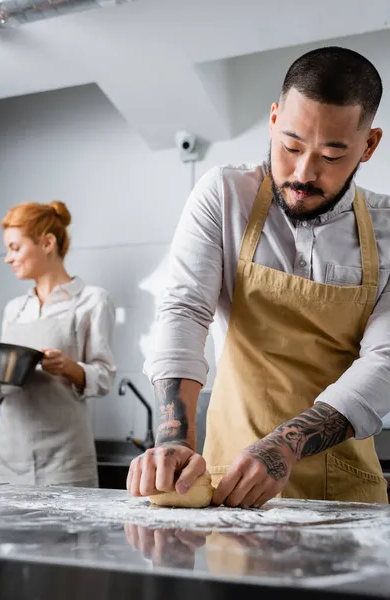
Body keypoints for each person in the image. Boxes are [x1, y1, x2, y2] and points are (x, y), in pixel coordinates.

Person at [128, 46, 390, 506]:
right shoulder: (226, 196)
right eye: (290, 146)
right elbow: (184, 312)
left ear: (369, 145)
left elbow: (385, 360)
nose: (304, 173)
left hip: (346, 493)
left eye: (331, 154)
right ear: (273, 120)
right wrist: (174, 438)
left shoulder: (389, 228)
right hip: (232, 487)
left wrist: (284, 445)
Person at [0, 200, 116, 487]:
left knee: (68, 534)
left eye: (15, 247)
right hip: (8, 458)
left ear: (47, 243)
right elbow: (1, 385)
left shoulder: (92, 300)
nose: (8, 258)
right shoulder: (14, 309)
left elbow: (105, 376)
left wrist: (68, 367)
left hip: (65, 461)